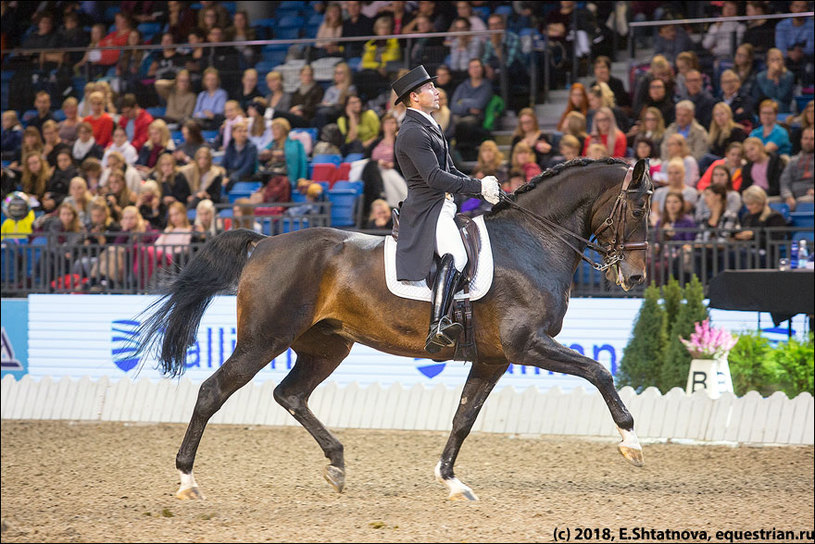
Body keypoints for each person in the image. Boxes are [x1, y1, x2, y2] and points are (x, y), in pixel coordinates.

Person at [390, 65, 500, 353]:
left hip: (443, 205)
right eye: (429, 88)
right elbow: (434, 178)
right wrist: (478, 188)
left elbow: (450, 169)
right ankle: (437, 325)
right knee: (458, 255)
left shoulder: (430, 125)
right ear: (414, 96)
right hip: (428, 208)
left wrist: (483, 186)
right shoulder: (413, 132)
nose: (436, 92)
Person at [360, 113, 406, 212]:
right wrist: (378, 162)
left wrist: (392, 165)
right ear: (383, 125)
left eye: (392, 123)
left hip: (391, 171)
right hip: (373, 171)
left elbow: (405, 162)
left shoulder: (400, 141)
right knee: (372, 165)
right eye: (387, 123)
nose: (390, 126)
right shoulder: (376, 142)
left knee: (381, 171)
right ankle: (379, 192)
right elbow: (365, 158)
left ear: (396, 125)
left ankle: (380, 193)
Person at [258, 118, 307, 191]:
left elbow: (302, 163)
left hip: (284, 176)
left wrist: (302, 179)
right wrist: (264, 155)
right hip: (268, 175)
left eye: (276, 129)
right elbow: (260, 157)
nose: (273, 132)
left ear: (284, 130)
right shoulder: (271, 145)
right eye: (272, 129)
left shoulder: (295, 144)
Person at [650, 158, 698, 226]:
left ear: (683, 174)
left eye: (676, 173)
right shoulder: (659, 192)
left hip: (681, 227)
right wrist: (659, 226)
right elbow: (654, 213)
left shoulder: (691, 192)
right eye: (670, 173)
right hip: (660, 227)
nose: (673, 176)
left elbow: (679, 211)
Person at [779, 127, 815, 210]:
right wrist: (788, 196)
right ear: (801, 140)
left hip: (810, 196)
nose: (808, 142)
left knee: (801, 202)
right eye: (805, 138)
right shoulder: (793, 160)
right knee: (768, 201)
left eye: (812, 139)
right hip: (792, 196)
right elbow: (784, 182)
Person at [752, 48, 795, 113]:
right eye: (772, 60)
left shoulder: (788, 76)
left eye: (778, 59)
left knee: (777, 104)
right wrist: (770, 78)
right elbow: (767, 96)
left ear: (783, 61)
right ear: (767, 62)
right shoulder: (760, 76)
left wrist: (775, 77)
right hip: (764, 108)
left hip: (783, 108)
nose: (775, 63)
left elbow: (781, 96)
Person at [222, 121, 257, 192]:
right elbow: (223, 164)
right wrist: (223, 176)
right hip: (230, 173)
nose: (243, 134)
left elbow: (248, 167)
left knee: (232, 180)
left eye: (245, 131)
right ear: (233, 134)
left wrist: (232, 177)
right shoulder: (230, 146)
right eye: (239, 131)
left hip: (245, 175)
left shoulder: (251, 147)